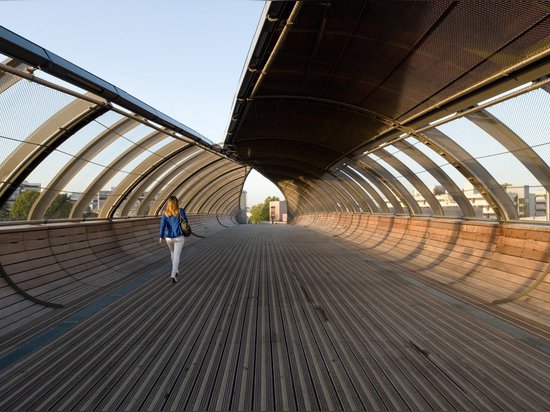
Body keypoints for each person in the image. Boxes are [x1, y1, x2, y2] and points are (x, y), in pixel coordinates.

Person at [159, 196, 188, 283]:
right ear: (176, 203)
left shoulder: (165, 213)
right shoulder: (181, 211)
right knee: (177, 255)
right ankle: (173, 273)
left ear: (168, 203)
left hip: (169, 238)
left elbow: (162, 226)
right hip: (179, 237)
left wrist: (161, 236)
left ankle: (176, 271)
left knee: (172, 252)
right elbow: (186, 221)